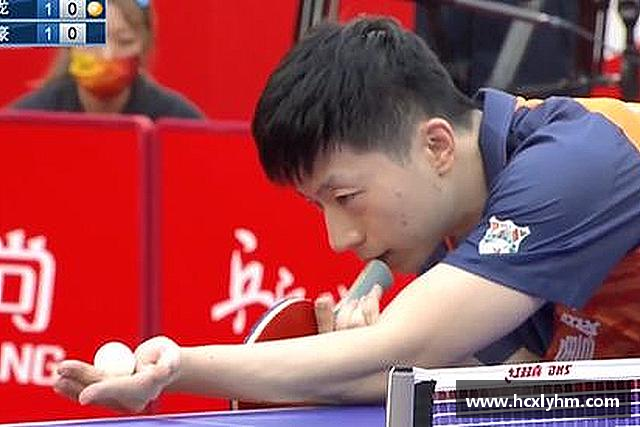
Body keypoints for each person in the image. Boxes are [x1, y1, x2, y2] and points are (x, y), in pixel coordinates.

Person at [53, 16, 640, 412]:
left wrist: (177, 367)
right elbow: (518, 389)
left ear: (436, 145)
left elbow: (406, 347)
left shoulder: (578, 162)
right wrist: (378, 361)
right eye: (319, 206)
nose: (338, 239)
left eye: (346, 197)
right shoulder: (449, 226)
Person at [11, 0, 203, 121]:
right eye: (92, 40)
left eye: (124, 41)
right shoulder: (27, 120)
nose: (108, 55)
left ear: (143, 47)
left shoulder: (177, 120)